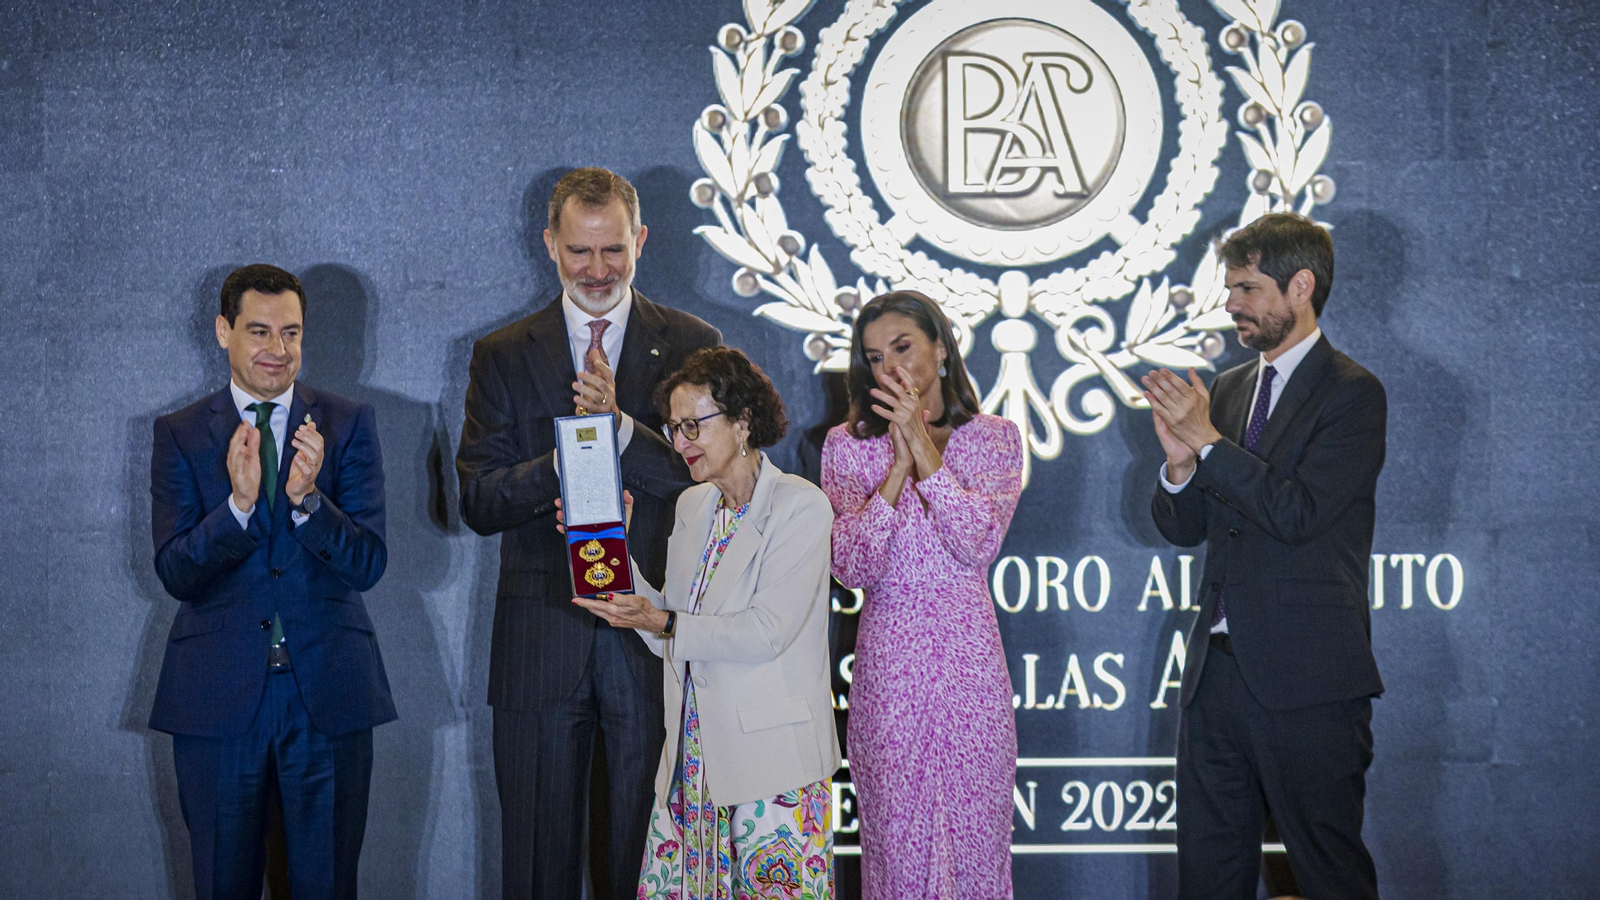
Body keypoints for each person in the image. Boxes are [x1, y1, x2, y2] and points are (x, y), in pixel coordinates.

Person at [455, 167, 721, 899]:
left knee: (641, 867)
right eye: (580, 252)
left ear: (640, 241)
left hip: (649, 646)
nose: (597, 270)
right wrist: (569, 464)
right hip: (540, 644)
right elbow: (479, 499)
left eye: (614, 252)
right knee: (538, 867)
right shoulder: (502, 354)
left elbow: (710, 480)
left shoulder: (694, 344)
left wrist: (622, 430)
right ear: (549, 245)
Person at [1142, 212, 1387, 900]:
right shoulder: (1225, 391)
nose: (1232, 305)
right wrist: (1182, 465)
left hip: (1309, 683)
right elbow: (1185, 527)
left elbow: (1298, 513)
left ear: (1301, 286)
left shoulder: (1353, 394)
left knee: (1327, 873)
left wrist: (1212, 448)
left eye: (1248, 288)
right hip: (1215, 680)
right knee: (1210, 878)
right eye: (1231, 288)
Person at [149, 263, 394, 899]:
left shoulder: (347, 423)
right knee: (223, 883)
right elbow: (176, 570)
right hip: (219, 699)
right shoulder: (178, 433)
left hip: (328, 694)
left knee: (327, 885)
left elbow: (368, 562)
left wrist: (311, 502)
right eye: (259, 332)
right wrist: (235, 508)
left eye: (292, 333)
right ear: (223, 331)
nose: (277, 351)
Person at [566, 347, 840, 899]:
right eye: (674, 428)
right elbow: (670, 627)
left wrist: (663, 619)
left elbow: (765, 632)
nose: (681, 441)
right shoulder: (692, 508)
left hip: (772, 766)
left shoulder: (800, 506)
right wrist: (610, 553)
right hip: (691, 762)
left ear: (742, 422)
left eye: (694, 424)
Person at [819, 291, 1022, 899]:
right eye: (876, 358)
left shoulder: (994, 439)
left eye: (903, 347)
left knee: (976, 856)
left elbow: (976, 542)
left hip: (970, 670)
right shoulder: (847, 446)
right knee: (897, 856)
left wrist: (923, 447)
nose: (892, 368)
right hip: (889, 672)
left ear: (940, 348)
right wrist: (895, 470)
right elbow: (850, 565)